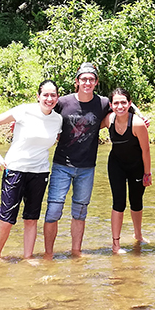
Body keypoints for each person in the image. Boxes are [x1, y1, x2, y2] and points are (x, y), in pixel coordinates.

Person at [0, 80, 63, 260]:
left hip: (40, 172)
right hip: (15, 169)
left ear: (57, 98)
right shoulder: (24, 110)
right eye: (45, 94)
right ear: (38, 96)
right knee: (6, 220)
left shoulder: (57, 119)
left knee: (31, 218)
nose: (49, 98)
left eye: (53, 95)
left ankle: (28, 258)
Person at [42, 62, 110, 258]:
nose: (87, 82)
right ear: (77, 82)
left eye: (91, 79)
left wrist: (142, 118)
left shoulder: (103, 103)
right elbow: (42, 112)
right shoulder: (63, 102)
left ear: (96, 82)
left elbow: (123, 108)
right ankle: (48, 254)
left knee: (80, 212)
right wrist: (19, 124)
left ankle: (76, 252)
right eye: (83, 79)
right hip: (62, 165)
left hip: (87, 167)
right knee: (53, 210)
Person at [103, 88, 152, 254]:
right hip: (116, 165)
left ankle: (138, 235)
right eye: (116, 103)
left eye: (123, 102)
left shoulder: (137, 123)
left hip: (136, 166)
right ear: (111, 105)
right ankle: (116, 245)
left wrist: (147, 173)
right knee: (119, 203)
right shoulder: (109, 119)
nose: (120, 106)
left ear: (129, 104)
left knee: (136, 201)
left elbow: (146, 150)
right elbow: (92, 125)